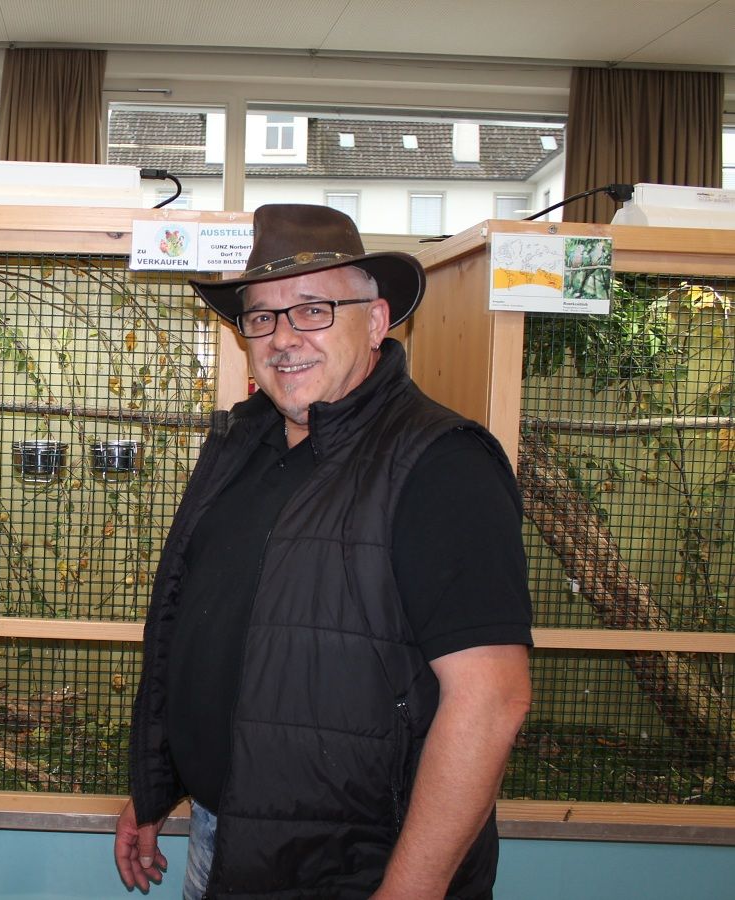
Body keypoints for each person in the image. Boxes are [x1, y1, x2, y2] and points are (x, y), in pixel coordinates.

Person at [114, 205, 533, 899]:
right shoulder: (244, 446)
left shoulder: (440, 464)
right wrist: (159, 789)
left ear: (375, 321)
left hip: (352, 869)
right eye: (262, 316)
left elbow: (491, 703)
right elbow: (211, 635)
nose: (284, 338)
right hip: (222, 837)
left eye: (313, 309)